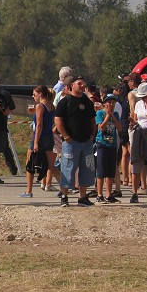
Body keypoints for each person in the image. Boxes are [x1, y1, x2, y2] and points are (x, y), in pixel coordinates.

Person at [55, 75, 97, 207]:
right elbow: (58, 120)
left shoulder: (87, 101)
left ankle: (82, 197)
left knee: (86, 169)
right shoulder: (65, 101)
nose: (82, 85)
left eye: (83, 83)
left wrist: (92, 135)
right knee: (68, 168)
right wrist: (66, 136)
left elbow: (92, 119)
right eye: (79, 83)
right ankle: (64, 197)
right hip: (71, 142)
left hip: (86, 142)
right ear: (72, 85)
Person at [21, 86, 56, 197]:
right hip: (49, 136)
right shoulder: (51, 106)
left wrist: (36, 141)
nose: (33, 96)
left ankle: (29, 190)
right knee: (51, 165)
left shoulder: (40, 106)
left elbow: (39, 125)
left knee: (29, 162)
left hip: (40, 136)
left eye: (34, 94)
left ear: (40, 94)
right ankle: (63, 188)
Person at [94, 97, 123, 203]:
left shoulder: (115, 114)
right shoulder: (100, 113)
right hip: (102, 143)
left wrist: (114, 118)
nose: (111, 105)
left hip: (112, 144)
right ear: (105, 103)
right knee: (101, 170)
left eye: (113, 103)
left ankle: (109, 194)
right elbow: (101, 127)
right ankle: (99, 194)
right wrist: (107, 116)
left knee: (111, 171)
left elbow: (120, 128)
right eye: (109, 103)